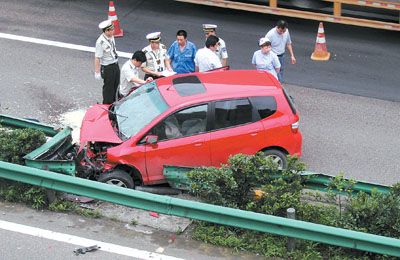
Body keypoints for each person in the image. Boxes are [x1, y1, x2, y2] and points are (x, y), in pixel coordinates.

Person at [94, 19, 120, 104]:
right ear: (106, 31)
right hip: (107, 67)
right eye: (111, 30)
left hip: (115, 64)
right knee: (109, 88)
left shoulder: (111, 37)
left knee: (116, 85)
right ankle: (107, 104)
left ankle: (115, 103)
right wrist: (97, 72)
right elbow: (97, 57)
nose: (113, 31)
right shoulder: (100, 42)